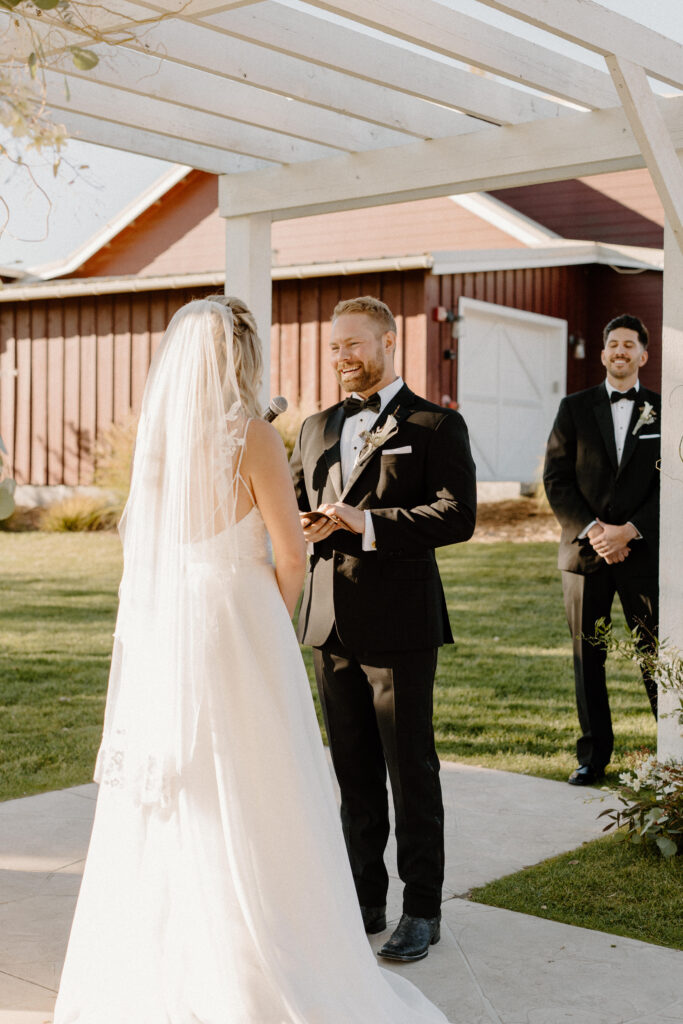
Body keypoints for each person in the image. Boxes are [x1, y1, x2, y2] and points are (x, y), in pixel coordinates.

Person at [54, 297, 452, 1024]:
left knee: (185, 783)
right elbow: (290, 551)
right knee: (262, 777)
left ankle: (166, 957)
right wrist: (276, 612)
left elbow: (142, 545)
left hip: (174, 622)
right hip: (237, 619)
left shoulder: (158, 439)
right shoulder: (256, 436)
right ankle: (274, 947)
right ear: (242, 356)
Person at [290, 296, 476, 963]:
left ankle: (420, 908)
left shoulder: (433, 423)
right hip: (327, 623)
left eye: (355, 345)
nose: (343, 357)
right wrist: (307, 523)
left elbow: (456, 516)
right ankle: (363, 897)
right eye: (335, 346)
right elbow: (292, 506)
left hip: (400, 623)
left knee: (410, 769)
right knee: (353, 771)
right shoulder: (312, 427)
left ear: (389, 342)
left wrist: (365, 523)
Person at [543, 313, 660, 787]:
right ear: (603, 352)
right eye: (613, 344)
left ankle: (673, 749)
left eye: (629, 345)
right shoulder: (573, 408)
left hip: (643, 552)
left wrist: (629, 530)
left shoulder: (667, 407)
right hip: (585, 554)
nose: (620, 352)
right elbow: (556, 478)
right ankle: (593, 756)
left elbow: (674, 484)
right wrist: (596, 532)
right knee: (587, 655)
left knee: (655, 651)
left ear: (643, 355)